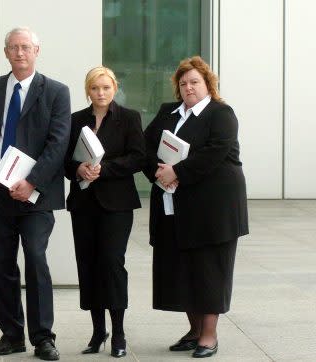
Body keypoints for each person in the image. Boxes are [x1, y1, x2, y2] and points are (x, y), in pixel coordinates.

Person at [0, 27, 70, 361]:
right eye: (13, 48)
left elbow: (57, 144)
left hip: (35, 195)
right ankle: (11, 334)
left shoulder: (56, 92)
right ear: (5, 52)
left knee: (35, 258)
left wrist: (32, 182)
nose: (19, 53)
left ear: (37, 51)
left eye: (25, 47)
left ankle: (43, 337)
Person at [143, 56, 248, 358]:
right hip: (174, 204)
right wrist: (159, 172)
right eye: (183, 83)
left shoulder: (221, 113)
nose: (188, 87)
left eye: (195, 82)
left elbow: (215, 153)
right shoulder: (168, 113)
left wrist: (178, 172)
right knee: (181, 270)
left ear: (208, 84)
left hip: (214, 208)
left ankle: (209, 336)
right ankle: (193, 331)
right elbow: (146, 147)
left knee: (209, 271)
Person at [64, 66, 145, 358]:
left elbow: (138, 157)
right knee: (87, 264)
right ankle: (98, 331)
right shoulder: (75, 120)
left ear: (114, 88)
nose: (100, 93)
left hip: (117, 204)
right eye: (95, 88)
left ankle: (119, 333)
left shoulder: (129, 118)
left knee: (111, 264)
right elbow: (64, 161)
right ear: (88, 90)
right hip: (83, 204)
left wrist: (104, 169)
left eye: (106, 88)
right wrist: (78, 168)